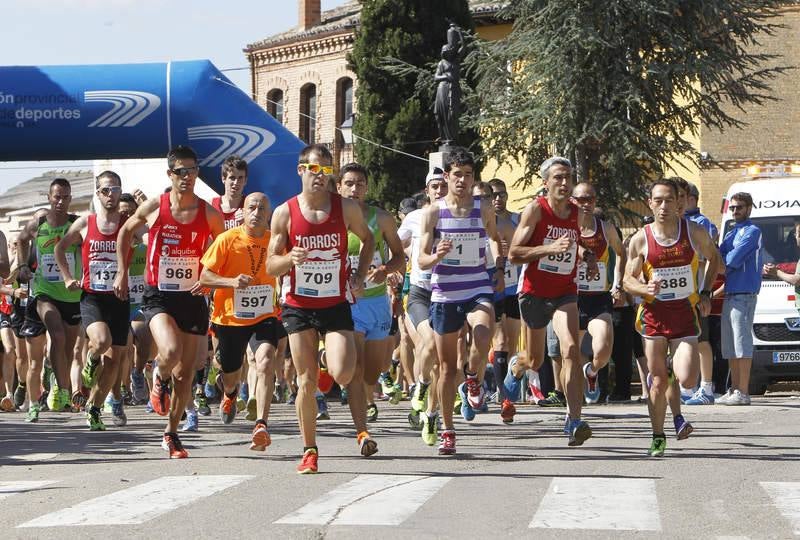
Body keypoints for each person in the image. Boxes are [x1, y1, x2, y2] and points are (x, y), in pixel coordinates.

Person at [267, 144, 374, 474]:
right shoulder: (285, 213)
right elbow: (271, 265)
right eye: (315, 170)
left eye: (327, 171)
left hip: (334, 302)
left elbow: (368, 240)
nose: (321, 177)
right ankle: (310, 449)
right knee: (306, 379)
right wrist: (289, 258)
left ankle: (328, 361)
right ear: (301, 171)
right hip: (298, 305)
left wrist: (358, 274)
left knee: (343, 372)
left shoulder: (346, 209)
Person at [114, 145, 225, 458]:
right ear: (170, 174)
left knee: (186, 374)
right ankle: (158, 375)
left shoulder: (208, 214)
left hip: (192, 296)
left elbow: (223, 249)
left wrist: (212, 278)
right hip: (159, 293)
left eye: (192, 170)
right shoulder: (155, 207)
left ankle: (171, 433)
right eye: (180, 171)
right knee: (171, 351)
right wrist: (122, 272)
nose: (187, 176)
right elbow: (125, 233)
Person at [418, 147, 505, 455]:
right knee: (444, 369)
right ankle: (448, 430)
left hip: (477, 286)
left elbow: (494, 238)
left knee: (483, 335)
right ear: (446, 176)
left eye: (469, 175)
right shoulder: (433, 212)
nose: (463, 181)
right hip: (445, 293)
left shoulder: (483, 208)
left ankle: (472, 377)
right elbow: (422, 260)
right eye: (458, 175)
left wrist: (498, 268)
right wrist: (437, 255)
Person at [623, 178, 720, 457]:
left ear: (680, 203)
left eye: (669, 200)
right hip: (654, 316)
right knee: (657, 381)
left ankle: (674, 391)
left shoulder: (694, 232)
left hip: (684, 315)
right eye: (658, 200)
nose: (664, 206)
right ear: (650, 203)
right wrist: (644, 288)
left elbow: (715, 258)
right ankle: (658, 436)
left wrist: (705, 292)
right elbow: (627, 281)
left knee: (688, 378)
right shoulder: (641, 239)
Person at [505, 157, 597, 446]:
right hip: (534, 292)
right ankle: (515, 368)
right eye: (557, 177)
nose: (564, 183)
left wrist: (587, 257)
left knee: (570, 348)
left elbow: (573, 245)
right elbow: (514, 254)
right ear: (546, 182)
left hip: (565, 291)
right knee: (535, 359)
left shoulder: (576, 213)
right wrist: (549, 248)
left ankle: (574, 420)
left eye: (568, 177)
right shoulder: (535, 210)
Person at [200, 192, 283, 451]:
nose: (257, 212)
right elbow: (204, 277)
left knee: (266, 361)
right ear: (243, 212)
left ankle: (261, 424)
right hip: (230, 317)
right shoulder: (227, 239)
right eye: (252, 207)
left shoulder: (275, 241)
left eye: (262, 208)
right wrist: (231, 282)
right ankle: (230, 393)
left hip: (265, 314)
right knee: (230, 372)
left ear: (269, 214)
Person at [336, 162, 405, 455]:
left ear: (367, 187)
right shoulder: (330, 219)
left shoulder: (382, 219)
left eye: (360, 184)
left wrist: (385, 269)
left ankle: (358, 389)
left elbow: (401, 257)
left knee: (372, 374)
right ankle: (363, 433)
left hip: (377, 302)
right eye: (349, 183)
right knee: (356, 368)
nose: (354, 189)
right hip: (347, 303)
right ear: (339, 187)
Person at [55, 171, 129, 430]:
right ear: (97, 194)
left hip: (119, 299)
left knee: (114, 363)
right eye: (105, 190)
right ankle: (90, 360)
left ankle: (95, 408)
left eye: (115, 189)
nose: (110, 195)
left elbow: (156, 229)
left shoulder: (128, 223)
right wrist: (66, 277)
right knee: (100, 341)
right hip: (92, 297)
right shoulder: (86, 223)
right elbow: (60, 248)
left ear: (121, 192)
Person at [17, 178, 83, 420]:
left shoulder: (77, 225)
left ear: (70, 199)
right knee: (55, 335)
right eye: (56, 196)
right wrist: (23, 265)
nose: (60, 201)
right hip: (44, 293)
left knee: (67, 350)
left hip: (72, 295)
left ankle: (55, 378)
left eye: (65, 197)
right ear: (48, 197)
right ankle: (39, 401)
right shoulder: (39, 222)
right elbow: (22, 240)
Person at [398, 170, 449, 446]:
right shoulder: (415, 217)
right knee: (428, 343)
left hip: (449, 293)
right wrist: (404, 259)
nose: (440, 190)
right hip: (420, 292)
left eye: (443, 186)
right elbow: (396, 243)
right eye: (435, 186)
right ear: (426, 190)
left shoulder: (459, 217)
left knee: (444, 362)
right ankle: (421, 385)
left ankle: (431, 414)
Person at [572, 184, 623, 404]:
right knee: (570, 354)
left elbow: (621, 253)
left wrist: (618, 284)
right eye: (581, 199)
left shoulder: (606, 228)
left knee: (602, 348)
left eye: (590, 199)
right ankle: (573, 405)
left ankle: (592, 372)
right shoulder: (565, 228)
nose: (585, 203)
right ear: (572, 200)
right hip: (570, 298)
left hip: (598, 298)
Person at [718, 192, 763, 405]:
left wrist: (722, 260)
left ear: (749, 208)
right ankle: (734, 388)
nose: (735, 211)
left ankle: (743, 392)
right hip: (730, 293)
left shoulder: (753, 231)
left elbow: (731, 260)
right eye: (733, 207)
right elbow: (717, 256)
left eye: (740, 207)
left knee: (741, 344)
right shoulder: (731, 233)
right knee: (730, 346)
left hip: (744, 294)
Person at [486, 178, 522, 417]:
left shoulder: (515, 221)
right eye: (494, 195)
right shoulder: (480, 222)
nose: (498, 199)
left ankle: (499, 365)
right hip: (490, 287)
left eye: (501, 194)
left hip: (514, 285)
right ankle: (505, 400)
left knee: (511, 342)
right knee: (500, 341)